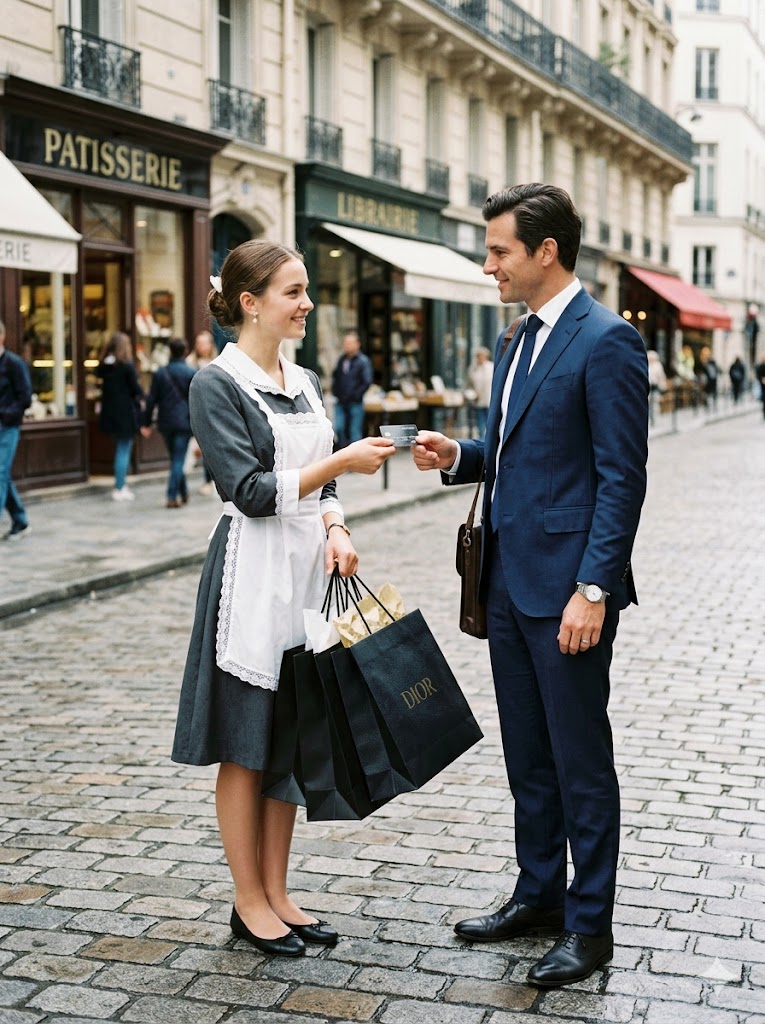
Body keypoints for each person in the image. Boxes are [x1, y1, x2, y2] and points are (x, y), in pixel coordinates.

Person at [413, 184, 649, 988]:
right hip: (508, 583)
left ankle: (589, 927)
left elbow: (621, 477)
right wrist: (460, 456)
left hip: (568, 590)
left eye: (499, 251)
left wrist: (595, 587)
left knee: (580, 759)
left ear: (545, 251)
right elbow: (518, 450)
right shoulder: (516, 339)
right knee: (528, 755)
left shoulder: (607, 339)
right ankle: (538, 893)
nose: (489, 266)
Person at [171, 241, 395, 958]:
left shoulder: (300, 380)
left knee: (291, 739)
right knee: (246, 746)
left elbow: (319, 489)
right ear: (250, 301)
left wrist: (336, 525)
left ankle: (278, 890)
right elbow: (250, 491)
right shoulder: (217, 383)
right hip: (250, 575)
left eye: (303, 291)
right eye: (293, 291)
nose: (305, 304)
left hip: (304, 573)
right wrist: (337, 463)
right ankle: (247, 901)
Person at [140, 338, 196, 508]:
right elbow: (196, 401)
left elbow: (151, 400)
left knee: (176, 458)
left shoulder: (160, 373)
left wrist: (146, 422)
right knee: (178, 459)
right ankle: (172, 496)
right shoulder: (191, 372)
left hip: (165, 422)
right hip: (184, 422)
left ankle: (184, 492)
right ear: (185, 351)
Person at [96, 332, 145, 501]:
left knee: (120, 447)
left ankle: (120, 484)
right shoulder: (127, 365)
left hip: (109, 412)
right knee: (124, 449)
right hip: (124, 412)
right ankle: (120, 486)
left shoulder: (104, 365)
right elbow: (135, 389)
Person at [0, 319, 32, 540]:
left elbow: (25, 398)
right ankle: (20, 520)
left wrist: (6, 414)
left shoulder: (14, 364)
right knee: (2, 474)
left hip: (8, 426)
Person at [186, 330, 217, 495]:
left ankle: (211, 480)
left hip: (215, 411)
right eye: (199, 343)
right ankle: (207, 480)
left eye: (205, 343)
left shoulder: (217, 362)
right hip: (198, 410)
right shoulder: (190, 363)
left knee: (212, 449)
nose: (202, 346)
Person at [331, 331, 373, 447]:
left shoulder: (363, 361)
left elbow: (366, 381)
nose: (347, 345)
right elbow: (336, 377)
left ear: (357, 344)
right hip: (341, 401)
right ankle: (343, 454)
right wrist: (336, 391)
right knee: (339, 428)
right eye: (345, 343)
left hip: (355, 402)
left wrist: (356, 395)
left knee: (355, 431)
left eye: (350, 343)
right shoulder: (341, 360)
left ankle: (356, 458)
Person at [467, 346, 494, 439]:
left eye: (482, 356)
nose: (480, 358)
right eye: (478, 356)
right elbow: (469, 384)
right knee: (480, 422)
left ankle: (490, 439)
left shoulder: (491, 367)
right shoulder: (473, 368)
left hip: (490, 399)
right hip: (478, 400)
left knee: (490, 421)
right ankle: (482, 440)